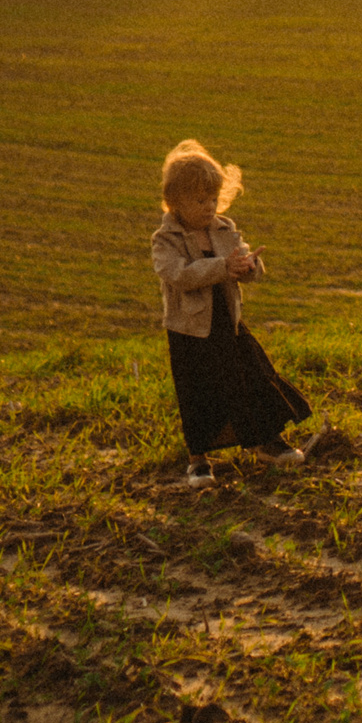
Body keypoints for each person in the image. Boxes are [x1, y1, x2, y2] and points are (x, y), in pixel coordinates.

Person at [152, 139, 313, 487]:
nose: (209, 207)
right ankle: (198, 459)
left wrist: (249, 266)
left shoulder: (223, 229)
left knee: (253, 378)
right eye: (199, 200)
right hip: (190, 332)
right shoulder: (166, 239)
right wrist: (222, 267)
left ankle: (265, 442)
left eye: (213, 198)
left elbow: (244, 264)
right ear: (175, 201)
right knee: (198, 393)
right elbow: (178, 275)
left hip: (228, 322)